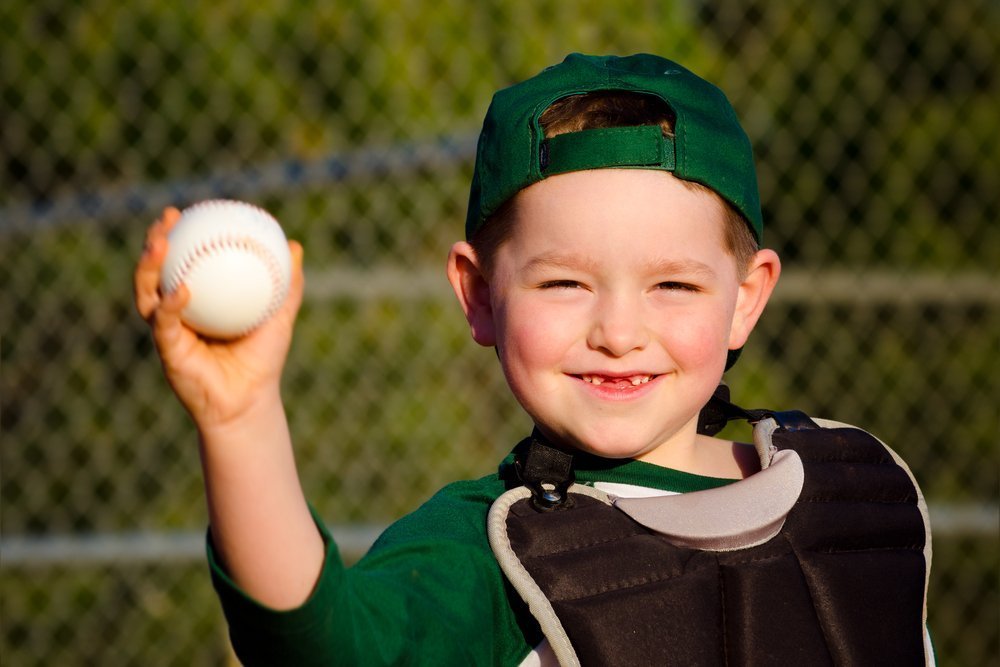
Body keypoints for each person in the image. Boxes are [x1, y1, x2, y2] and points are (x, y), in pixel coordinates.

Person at [135, 53, 933, 665]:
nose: (619, 331)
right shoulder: (489, 549)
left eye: (672, 284)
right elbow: (320, 646)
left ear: (748, 297)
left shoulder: (856, 497)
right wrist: (239, 419)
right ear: (479, 295)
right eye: (565, 282)